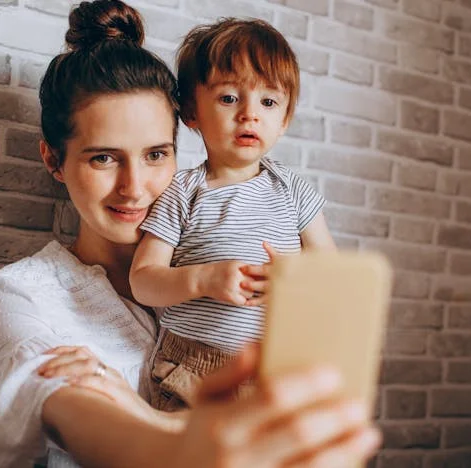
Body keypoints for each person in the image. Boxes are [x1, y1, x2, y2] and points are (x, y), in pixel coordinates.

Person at [0, 1, 380, 467]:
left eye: (157, 154)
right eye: (103, 157)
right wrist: (163, 439)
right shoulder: (23, 293)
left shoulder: (269, 207)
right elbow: (56, 399)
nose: (135, 187)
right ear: (53, 160)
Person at [129, 18, 336, 411]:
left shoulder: (293, 191)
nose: (249, 115)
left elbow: (331, 274)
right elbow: (143, 281)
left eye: (268, 102)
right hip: (195, 366)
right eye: (228, 98)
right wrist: (203, 278)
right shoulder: (183, 191)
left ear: (285, 118)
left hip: (277, 367)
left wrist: (294, 282)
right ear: (191, 111)